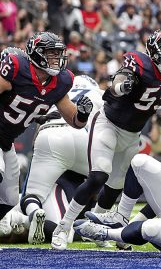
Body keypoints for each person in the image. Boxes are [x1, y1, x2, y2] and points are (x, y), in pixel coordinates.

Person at [51, 29, 161, 250]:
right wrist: (120, 86)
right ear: (156, 53)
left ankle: (97, 231)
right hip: (109, 124)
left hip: (133, 134)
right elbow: (120, 79)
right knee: (97, 177)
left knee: (114, 188)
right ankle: (63, 227)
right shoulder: (140, 63)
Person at [0, 32, 93, 223]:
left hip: (6, 140)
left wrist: (82, 113)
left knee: (9, 199)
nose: (56, 59)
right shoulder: (17, 67)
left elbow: (75, 122)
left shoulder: (61, 81)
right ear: (36, 53)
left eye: (58, 54)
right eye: (51, 53)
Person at [19, 75, 104, 245]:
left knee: (31, 195)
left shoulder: (57, 90)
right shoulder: (99, 94)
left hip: (50, 133)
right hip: (85, 136)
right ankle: (100, 221)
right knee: (105, 177)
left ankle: (32, 213)